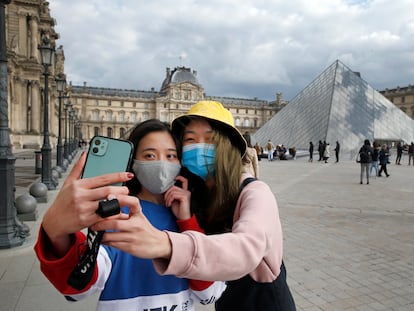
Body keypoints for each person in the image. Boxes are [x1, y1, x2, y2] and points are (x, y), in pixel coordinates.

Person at [90, 100, 296, 310]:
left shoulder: (256, 193)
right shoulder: (195, 194)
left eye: (210, 139)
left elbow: (246, 250)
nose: (199, 146)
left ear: (227, 145)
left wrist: (165, 244)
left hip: (266, 303)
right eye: (190, 139)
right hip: (226, 303)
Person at [34, 119, 225, 310]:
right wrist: (57, 232)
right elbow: (78, 288)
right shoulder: (118, 213)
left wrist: (186, 222)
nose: (161, 163)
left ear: (180, 162)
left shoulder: (192, 217)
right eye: (150, 155)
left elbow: (208, 295)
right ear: (133, 163)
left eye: (170, 155)